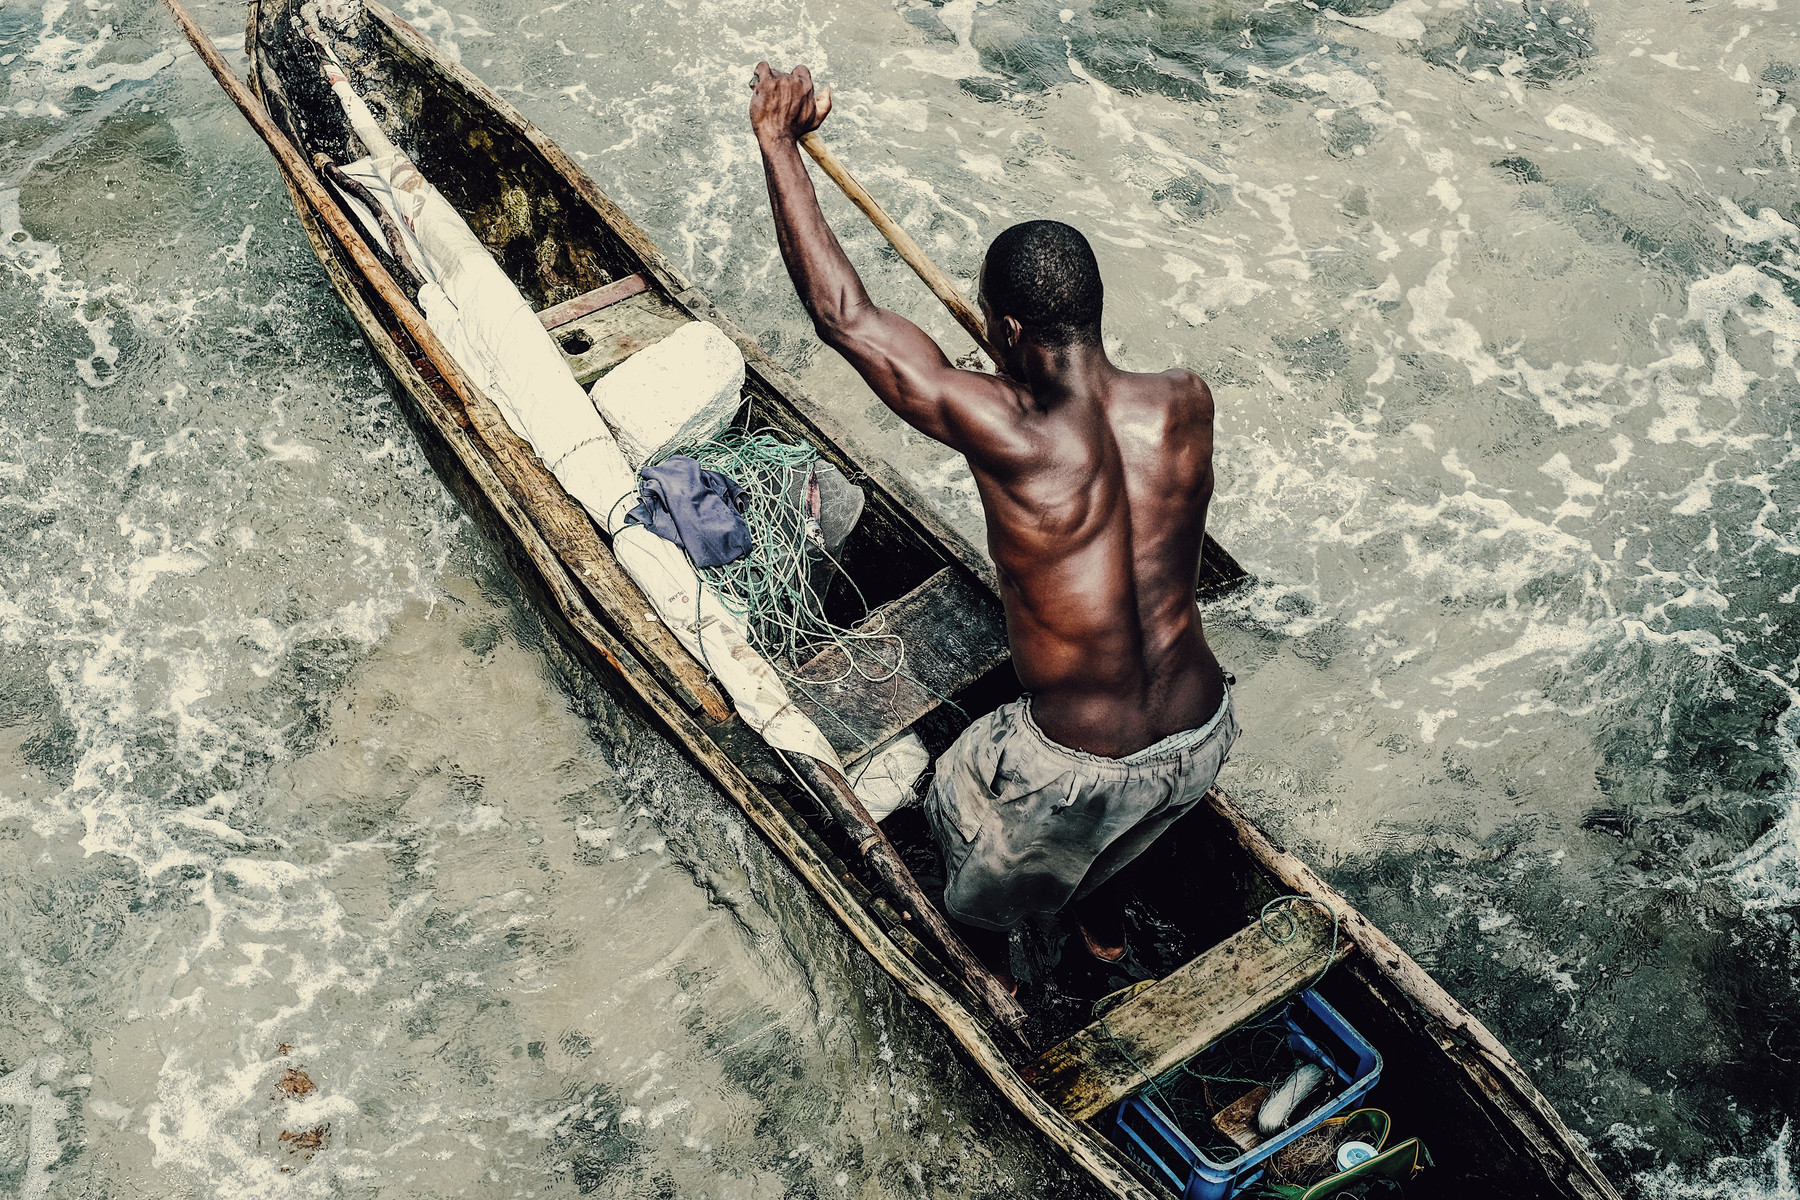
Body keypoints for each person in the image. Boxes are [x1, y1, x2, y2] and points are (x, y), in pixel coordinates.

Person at [750, 62, 1237, 984]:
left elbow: (845, 317)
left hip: (1079, 768)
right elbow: (1082, 407)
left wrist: (778, 140)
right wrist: (1016, 360)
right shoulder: (1185, 402)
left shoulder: (1009, 430)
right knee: (1112, 820)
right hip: (1203, 734)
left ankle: (990, 967)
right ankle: (1104, 924)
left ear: (1008, 333)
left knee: (951, 804)